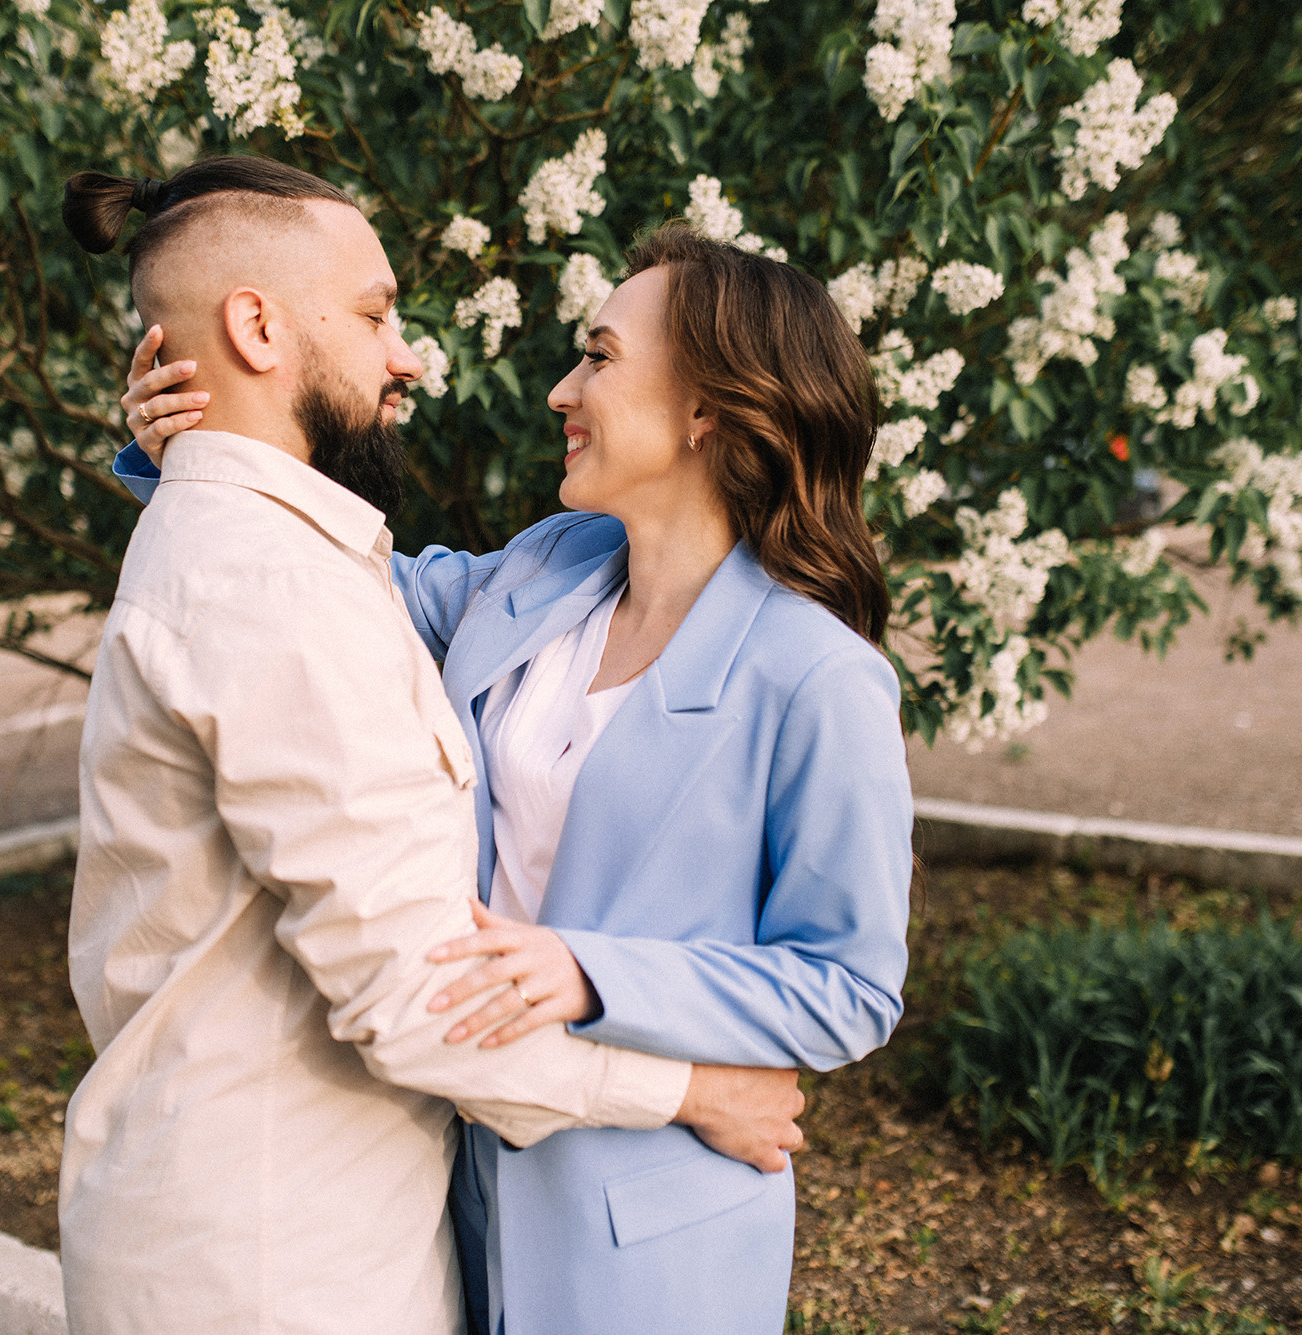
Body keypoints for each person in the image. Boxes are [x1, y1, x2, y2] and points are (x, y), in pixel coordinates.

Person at [118, 220, 913, 1334]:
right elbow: (324, 585)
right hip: (460, 1180)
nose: (559, 391)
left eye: (597, 357)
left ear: (705, 411)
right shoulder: (551, 565)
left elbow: (849, 989)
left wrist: (591, 972)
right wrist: (198, 453)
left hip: (646, 1227)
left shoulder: (817, 677)